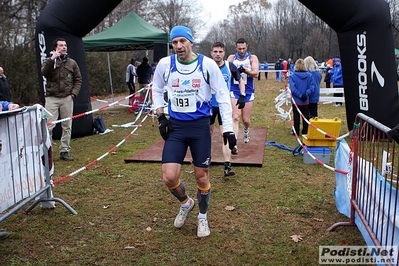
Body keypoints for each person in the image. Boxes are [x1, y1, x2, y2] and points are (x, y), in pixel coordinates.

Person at [152, 26, 237, 238]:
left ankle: (202, 216)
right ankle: (186, 203)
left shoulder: (207, 65)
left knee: (201, 176)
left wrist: (228, 129)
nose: (179, 46)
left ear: (191, 42)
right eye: (174, 43)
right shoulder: (165, 64)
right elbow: (157, 89)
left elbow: (223, 95)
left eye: (182, 41)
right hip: (177, 128)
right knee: (169, 177)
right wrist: (161, 115)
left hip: (200, 127)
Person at [41, 37, 82, 161]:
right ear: (55, 48)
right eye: (60, 45)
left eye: (65, 45)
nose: (64, 47)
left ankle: (64, 151)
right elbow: (44, 72)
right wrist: (52, 59)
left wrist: (73, 94)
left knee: (67, 126)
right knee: (49, 126)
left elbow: (78, 79)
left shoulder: (72, 63)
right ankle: (47, 153)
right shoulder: (49, 61)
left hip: (67, 98)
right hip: (51, 98)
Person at [210, 42, 245, 176]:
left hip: (224, 106)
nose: (218, 54)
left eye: (220, 52)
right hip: (209, 106)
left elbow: (240, 80)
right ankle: (206, 159)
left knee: (225, 134)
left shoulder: (230, 66)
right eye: (215, 51)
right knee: (208, 134)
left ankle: (227, 165)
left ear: (224, 53)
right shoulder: (207, 66)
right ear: (211, 53)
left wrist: (242, 95)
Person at [227, 38, 259, 143]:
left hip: (248, 91)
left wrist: (245, 71)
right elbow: (226, 72)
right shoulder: (232, 58)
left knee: (245, 119)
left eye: (243, 48)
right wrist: (235, 72)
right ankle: (234, 142)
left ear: (247, 47)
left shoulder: (252, 58)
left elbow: (256, 73)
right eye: (239, 48)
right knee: (236, 117)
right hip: (234, 90)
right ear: (236, 47)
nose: (241, 51)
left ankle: (246, 129)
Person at [289, 58, 314, 136]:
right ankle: (305, 130)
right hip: (305, 100)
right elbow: (312, 87)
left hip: (296, 101)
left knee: (296, 117)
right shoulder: (309, 76)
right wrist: (306, 94)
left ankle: (296, 131)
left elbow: (293, 88)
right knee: (305, 117)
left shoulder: (292, 76)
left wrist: (300, 95)